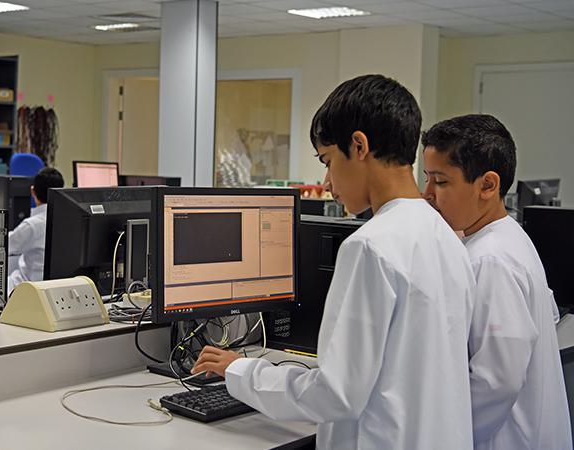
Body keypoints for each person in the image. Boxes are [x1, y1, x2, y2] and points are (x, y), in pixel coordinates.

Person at [192, 74, 476, 450]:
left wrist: (240, 370)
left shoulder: (371, 246)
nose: (326, 182)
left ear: (359, 146)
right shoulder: (448, 238)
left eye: (328, 161)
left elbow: (335, 393)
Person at [422, 114, 571, 450]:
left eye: (440, 182)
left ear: (488, 185)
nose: (427, 194)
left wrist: (443, 436)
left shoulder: (490, 261)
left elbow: (497, 381)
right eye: (427, 179)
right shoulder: (506, 237)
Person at [7, 167, 64, 293]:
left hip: (28, 288)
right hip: (56, 289)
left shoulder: (32, 225)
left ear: (33, 191)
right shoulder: (68, 218)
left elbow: (7, 245)